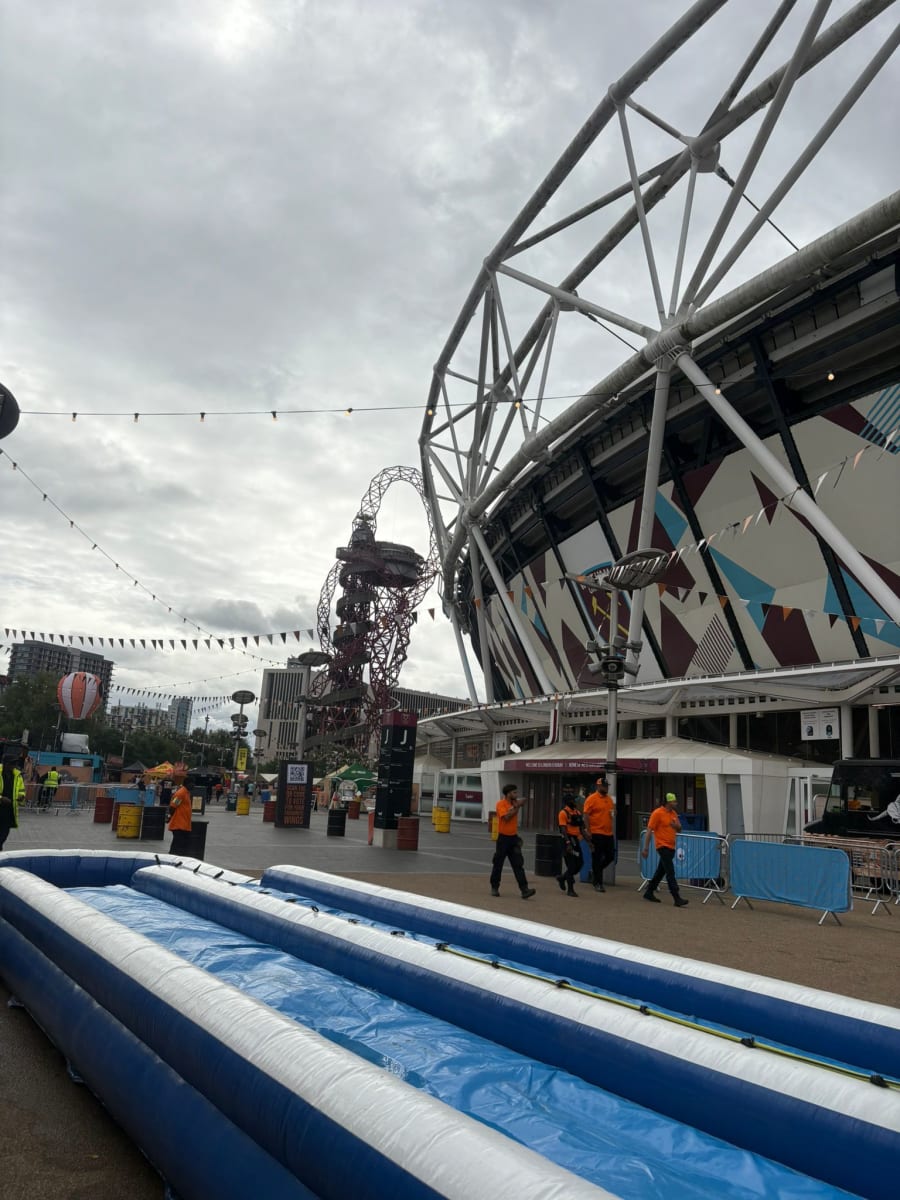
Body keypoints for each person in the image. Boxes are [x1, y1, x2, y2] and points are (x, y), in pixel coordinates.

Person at [642, 793, 689, 907]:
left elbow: (679, 829)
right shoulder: (657, 813)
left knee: (661, 871)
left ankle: (649, 892)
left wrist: (676, 826)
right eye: (674, 801)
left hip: (671, 846)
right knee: (670, 872)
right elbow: (649, 830)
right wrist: (646, 848)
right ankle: (676, 897)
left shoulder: (673, 814)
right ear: (668, 802)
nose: (676, 803)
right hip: (662, 846)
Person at [489, 784, 536, 899]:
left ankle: (524, 889)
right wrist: (517, 806)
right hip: (503, 839)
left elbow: (519, 804)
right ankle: (495, 887)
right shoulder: (501, 804)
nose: (516, 794)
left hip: (513, 838)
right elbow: (506, 817)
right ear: (508, 793)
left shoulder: (514, 803)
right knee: (498, 863)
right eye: (514, 792)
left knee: (518, 864)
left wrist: (518, 804)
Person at [583, 777, 616, 892]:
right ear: (598, 786)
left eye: (607, 786)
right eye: (604, 786)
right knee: (597, 857)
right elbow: (586, 815)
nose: (606, 788)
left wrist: (613, 814)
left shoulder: (609, 800)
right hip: (596, 832)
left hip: (608, 833)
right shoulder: (591, 799)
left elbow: (611, 813)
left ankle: (596, 871)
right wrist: (588, 831)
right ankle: (598, 883)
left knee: (611, 856)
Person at [556, 788, 585, 897]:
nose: (575, 802)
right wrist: (568, 842)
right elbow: (563, 829)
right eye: (573, 800)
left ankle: (562, 877)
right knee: (572, 865)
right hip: (567, 840)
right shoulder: (563, 813)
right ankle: (570, 889)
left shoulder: (577, 812)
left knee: (580, 863)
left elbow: (582, 828)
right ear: (568, 802)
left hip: (576, 840)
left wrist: (589, 841)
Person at [0, 758, 26, 851]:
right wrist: (1, 798)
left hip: (9, 810)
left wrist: (21, 796)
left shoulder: (17, 775)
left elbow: (21, 789)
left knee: (4, 833)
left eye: (15, 764)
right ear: (6, 764)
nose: (14, 767)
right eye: (12, 764)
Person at [167, 779, 193, 854]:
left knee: (180, 844)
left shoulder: (186, 792)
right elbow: (173, 806)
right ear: (187, 784)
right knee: (177, 844)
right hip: (178, 824)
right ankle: (172, 856)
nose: (194, 786)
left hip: (184, 824)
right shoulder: (181, 793)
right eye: (192, 783)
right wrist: (170, 816)